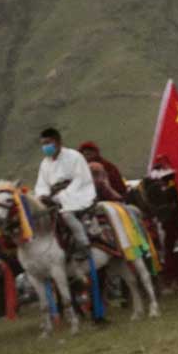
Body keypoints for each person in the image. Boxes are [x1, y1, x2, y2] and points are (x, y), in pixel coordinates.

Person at [31, 126, 103, 317]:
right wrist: (43, 196)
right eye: (43, 144)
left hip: (77, 194)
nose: (45, 147)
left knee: (66, 215)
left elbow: (81, 180)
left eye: (48, 143)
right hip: (54, 198)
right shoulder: (44, 163)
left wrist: (61, 196)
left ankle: (83, 244)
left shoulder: (74, 157)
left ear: (58, 142)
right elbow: (41, 185)